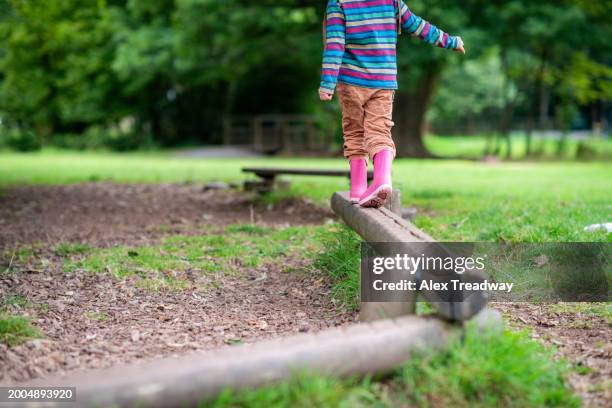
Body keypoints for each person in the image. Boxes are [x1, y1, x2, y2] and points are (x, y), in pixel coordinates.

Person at [319, 0, 465, 207]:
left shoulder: (340, 3)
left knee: (354, 132)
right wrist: (450, 41)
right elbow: (417, 26)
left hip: (351, 81)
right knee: (380, 131)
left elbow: (335, 44)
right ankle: (382, 179)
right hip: (383, 81)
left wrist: (327, 83)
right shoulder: (392, 2)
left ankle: (358, 188)